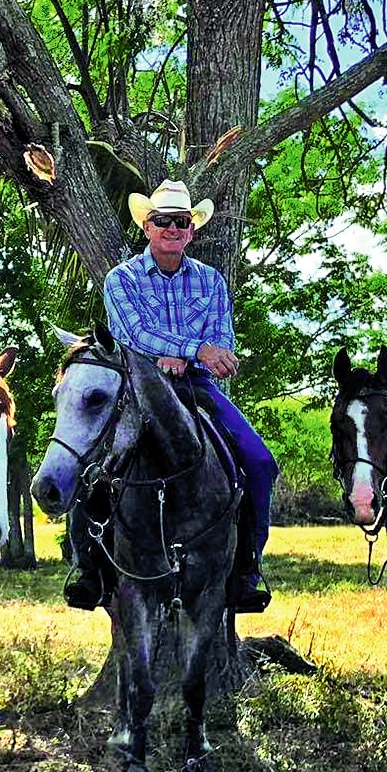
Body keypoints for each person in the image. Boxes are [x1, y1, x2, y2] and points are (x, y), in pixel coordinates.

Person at [64, 178, 278, 613]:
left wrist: (205, 357)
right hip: (136, 389)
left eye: (181, 222)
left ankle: (247, 567)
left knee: (259, 463)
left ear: (192, 230)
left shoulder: (212, 281)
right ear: (147, 226)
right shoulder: (120, 280)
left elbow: (222, 338)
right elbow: (132, 334)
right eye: (163, 221)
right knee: (91, 460)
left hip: (195, 387)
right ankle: (86, 566)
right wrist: (190, 348)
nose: (173, 229)